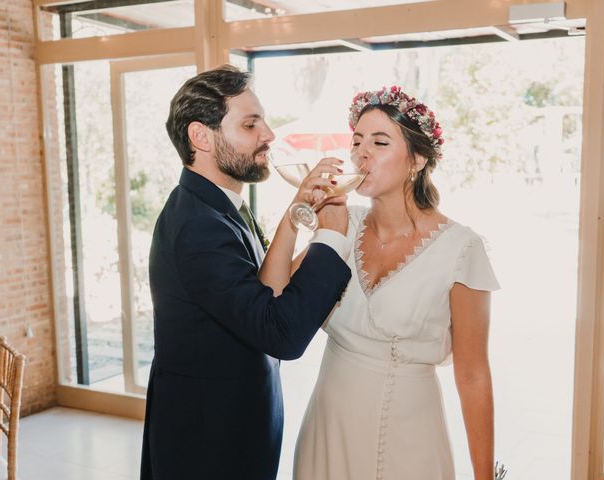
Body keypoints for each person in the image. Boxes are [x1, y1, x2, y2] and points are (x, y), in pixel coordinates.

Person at [260, 86, 499, 479]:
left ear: (417, 160)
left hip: (409, 436)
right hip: (328, 425)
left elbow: (473, 374)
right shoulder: (340, 222)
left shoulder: (462, 249)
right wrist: (295, 211)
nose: (361, 153)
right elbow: (272, 297)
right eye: (356, 141)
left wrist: (484, 476)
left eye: (380, 142)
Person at [139, 65, 352, 480]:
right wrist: (331, 239)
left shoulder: (217, 205)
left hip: (235, 426)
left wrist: (295, 214)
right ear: (201, 137)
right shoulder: (199, 225)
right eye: (251, 124)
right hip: (209, 444)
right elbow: (281, 333)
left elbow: (263, 291)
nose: (269, 135)